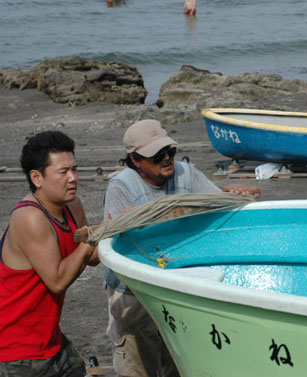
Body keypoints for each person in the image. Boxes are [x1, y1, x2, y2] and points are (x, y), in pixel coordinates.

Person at [103, 119, 251, 377]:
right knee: (139, 365)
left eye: (169, 151)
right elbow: (114, 244)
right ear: (136, 160)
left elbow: (216, 205)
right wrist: (136, 219)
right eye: (157, 155)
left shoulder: (186, 173)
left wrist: (231, 193)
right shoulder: (121, 187)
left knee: (180, 363)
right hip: (134, 291)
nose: (167, 159)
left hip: (179, 285)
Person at [0, 131, 98, 376]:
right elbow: (57, 281)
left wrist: (121, 228)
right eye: (63, 172)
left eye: (75, 169)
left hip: (51, 341)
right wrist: (92, 238)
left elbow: (91, 257)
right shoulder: (29, 217)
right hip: (16, 351)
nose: (73, 178)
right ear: (37, 177)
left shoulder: (72, 206)